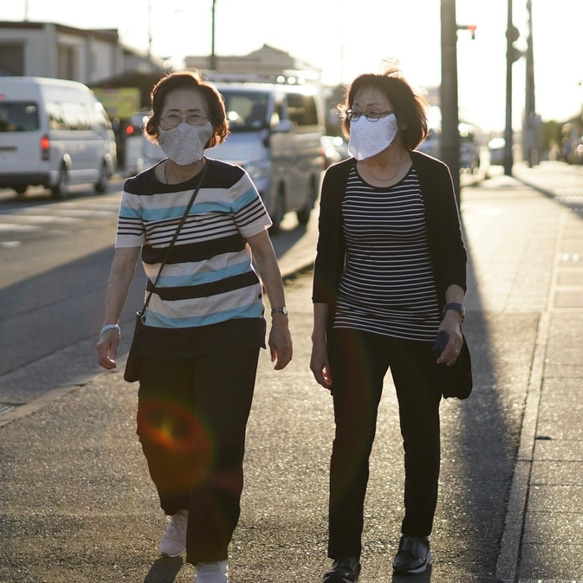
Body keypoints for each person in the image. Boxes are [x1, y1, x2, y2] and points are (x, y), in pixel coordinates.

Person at [96, 70, 293, 583]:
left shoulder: (232, 180)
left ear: (214, 127)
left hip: (232, 325)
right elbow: (123, 265)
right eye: (173, 116)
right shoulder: (137, 190)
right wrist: (108, 325)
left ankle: (211, 557)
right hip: (165, 329)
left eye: (195, 116)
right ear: (155, 127)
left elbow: (266, 254)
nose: (184, 125)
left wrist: (281, 317)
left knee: (220, 440)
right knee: (157, 433)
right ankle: (181, 512)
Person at [310, 69, 468, 580]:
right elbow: (328, 261)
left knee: (420, 434)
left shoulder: (431, 174)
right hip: (355, 325)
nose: (363, 121)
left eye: (375, 112)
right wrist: (319, 336)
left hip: (421, 326)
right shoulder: (338, 178)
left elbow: (450, 252)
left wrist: (453, 316)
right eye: (356, 112)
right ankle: (345, 554)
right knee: (351, 437)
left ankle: (415, 538)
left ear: (400, 120)